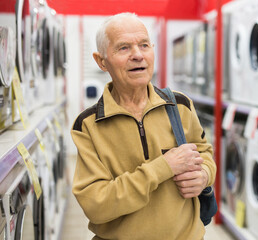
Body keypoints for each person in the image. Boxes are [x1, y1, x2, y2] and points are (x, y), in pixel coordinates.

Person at [71, 12, 216, 240]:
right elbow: (96, 205)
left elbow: (204, 152)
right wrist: (162, 168)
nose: (138, 55)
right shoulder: (88, 125)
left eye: (144, 45)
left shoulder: (179, 105)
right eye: (124, 48)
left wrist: (204, 175)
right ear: (101, 61)